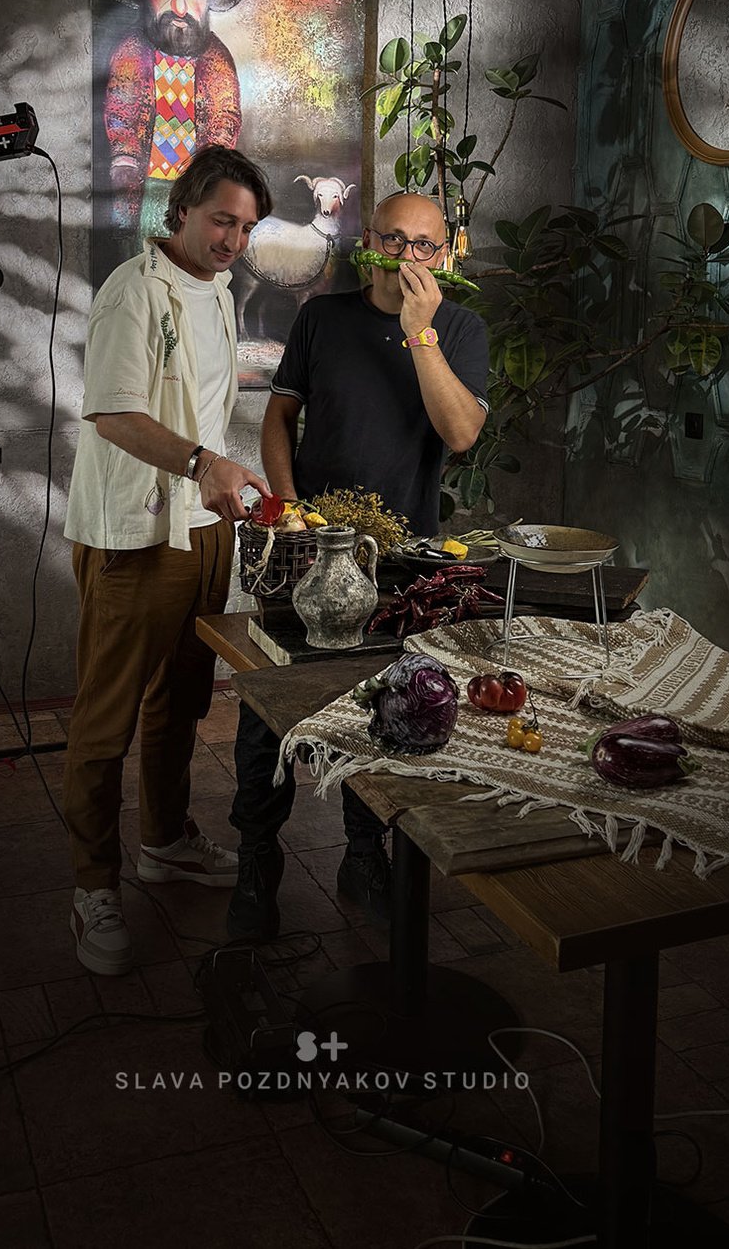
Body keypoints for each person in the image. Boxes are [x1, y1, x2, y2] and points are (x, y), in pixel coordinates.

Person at [226, 191, 490, 940]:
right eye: (394, 239)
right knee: (269, 706)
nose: (407, 256)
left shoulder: (459, 328)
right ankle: (256, 860)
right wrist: (289, 512)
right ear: (367, 241)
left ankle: (364, 853)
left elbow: (461, 433)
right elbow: (280, 416)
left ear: (442, 254)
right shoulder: (322, 317)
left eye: (424, 245)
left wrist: (420, 334)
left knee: (386, 707)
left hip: (404, 557)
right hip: (307, 545)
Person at [62, 144, 272, 976]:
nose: (233, 241)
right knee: (105, 718)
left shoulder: (217, 290)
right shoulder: (132, 292)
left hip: (203, 528)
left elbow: (200, 412)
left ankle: (164, 841)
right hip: (135, 532)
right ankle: (92, 884)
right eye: (222, 220)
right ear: (180, 209)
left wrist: (221, 473)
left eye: (246, 228)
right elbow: (113, 413)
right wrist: (201, 462)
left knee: (181, 698)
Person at [101, 0, 244, 248]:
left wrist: (208, 169)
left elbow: (225, 116)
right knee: (143, 259)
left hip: (196, 191)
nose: (179, 5)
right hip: (146, 189)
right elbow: (121, 110)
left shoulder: (217, 58)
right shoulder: (131, 51)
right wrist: (125, 161)